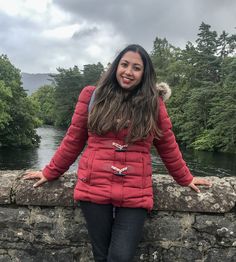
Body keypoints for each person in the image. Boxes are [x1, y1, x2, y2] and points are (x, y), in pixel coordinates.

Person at [23, 44, 212, 262]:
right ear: (116, 66)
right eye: (124, 64)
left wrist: (185, 177)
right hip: (94, 184)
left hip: (135, 191)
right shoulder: (92, 96)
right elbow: (74, 139)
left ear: (144, 74)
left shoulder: (154, 103)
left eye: (136, 68)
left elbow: (167, 144)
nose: (128, 72)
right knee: (101, 256)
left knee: (120, 257)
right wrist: (50, 172)